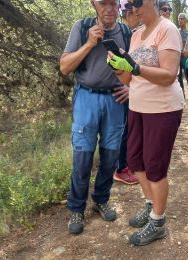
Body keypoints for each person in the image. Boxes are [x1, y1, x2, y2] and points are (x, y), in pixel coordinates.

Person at [107, 0, 184, 246]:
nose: (132, 9)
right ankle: (151, 206)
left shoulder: (167, 29)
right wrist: (118, 67)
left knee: (155, 166)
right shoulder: (137, 34)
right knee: (134, 160)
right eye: (128, 4)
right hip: (137, 107)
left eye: (137, 3)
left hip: (162, 110)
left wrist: (136, 68)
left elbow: (169, 75)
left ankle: (158, 222)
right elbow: (129, 78)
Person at [59, 0, 131, 234]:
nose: (109, 8)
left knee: (110, 157)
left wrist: (132, 89)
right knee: (82, 157)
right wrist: (89, 43)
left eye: (113, 3)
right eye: (103, 3)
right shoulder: (81, 27)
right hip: (86, 98)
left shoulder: (127, 32)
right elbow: (64, 67)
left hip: (115, 100)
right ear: (94, 4)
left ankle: (101, 198)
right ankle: (77, 208)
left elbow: (137, 67)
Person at [112, 0, 141, 185]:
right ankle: (121, 168)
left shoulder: (135, 33)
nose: (133, 16)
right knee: (124, 130)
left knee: (129, 128)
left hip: (130, 89)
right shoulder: (124, 33)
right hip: (119, 89)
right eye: (129, 12)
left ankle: (128, 165)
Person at [177, 13, 188, 96]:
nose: (180, 20)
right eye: (179, 19)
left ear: (186, 20)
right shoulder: (176, 31)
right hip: (177, 59)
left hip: (187, 59)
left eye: (182, 18)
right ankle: (182, 96)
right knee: (179, 79)